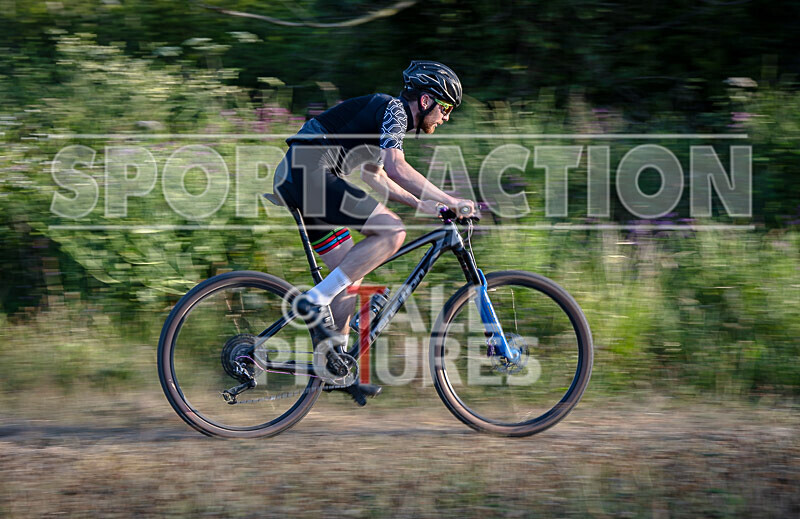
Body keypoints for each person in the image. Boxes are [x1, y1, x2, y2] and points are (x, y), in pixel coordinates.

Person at [273, 61, 476, 405]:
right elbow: (396, 167)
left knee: (349, 277)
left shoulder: (386, 121)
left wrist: (423, 204)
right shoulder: (394, 109)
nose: (445, 117)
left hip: (301, 175)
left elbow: (376, 177)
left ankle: (335, 366)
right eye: (445, 108)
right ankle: (312, 300)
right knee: (393, 231)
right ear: (425, 100)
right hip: (309, 170)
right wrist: (451, 200)